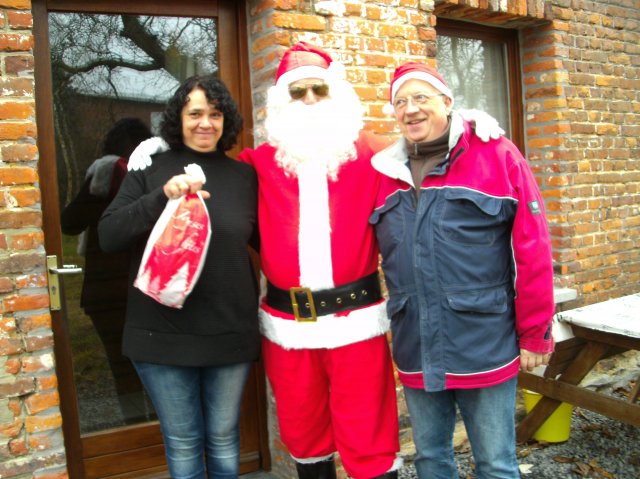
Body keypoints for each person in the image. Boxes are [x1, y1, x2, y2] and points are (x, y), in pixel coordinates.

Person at [128, 43, 503, 479]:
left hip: (356, 324)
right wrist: (164, 146)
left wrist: (463, 130)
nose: (308, 99)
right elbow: (209, 165)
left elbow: (425, 146)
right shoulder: (257, 164)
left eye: (318, 89)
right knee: (303, 434)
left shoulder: (375, 154)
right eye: (297, 91)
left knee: (369, 436)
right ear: (281, 102)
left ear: (335, 94)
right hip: (287, 328)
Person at [370, 62, 555, 478]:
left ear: (448, 102)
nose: (411, 109)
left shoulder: (496, 155)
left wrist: (535, 332)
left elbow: (533, 248)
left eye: (421, 97)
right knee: (431, 459)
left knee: (495, 463)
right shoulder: (385, 172)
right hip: (416, 343)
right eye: (401, 102)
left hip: (484, 342)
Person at [98, 76, 260, 479]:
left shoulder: (243, 177)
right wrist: (162, 196)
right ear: (178, 118)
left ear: (226, 120)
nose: (206, 123)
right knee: (184, 443)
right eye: (195, 113)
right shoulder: (150, 169)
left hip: (229, 332)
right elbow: (109, 235)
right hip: (162, 335)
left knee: (224, 439)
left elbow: (271, 242)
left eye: (215, 114)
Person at [61, 117, 152, 424]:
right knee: (153, 363)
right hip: (143, 286)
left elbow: (69, 223)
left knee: (122, 365)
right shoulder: (152, 174)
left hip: (109, 289)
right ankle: (153, 429)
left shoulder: (106, 174)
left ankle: (136, 428)